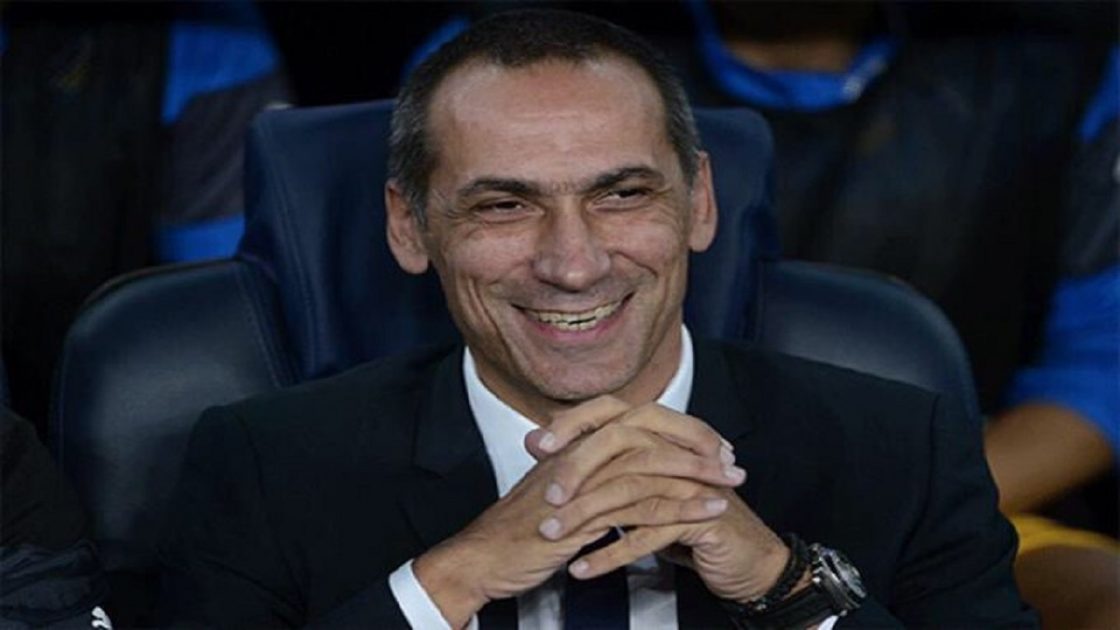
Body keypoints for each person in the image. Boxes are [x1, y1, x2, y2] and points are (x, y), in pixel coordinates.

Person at [159, 10, 1033, 628]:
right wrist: (448, 582)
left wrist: (784, 585)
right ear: (409, 226)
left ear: (700, 202)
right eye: (504, 205)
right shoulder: (265, 466)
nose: (573, 265)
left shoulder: (902, 449)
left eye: (622, 195)